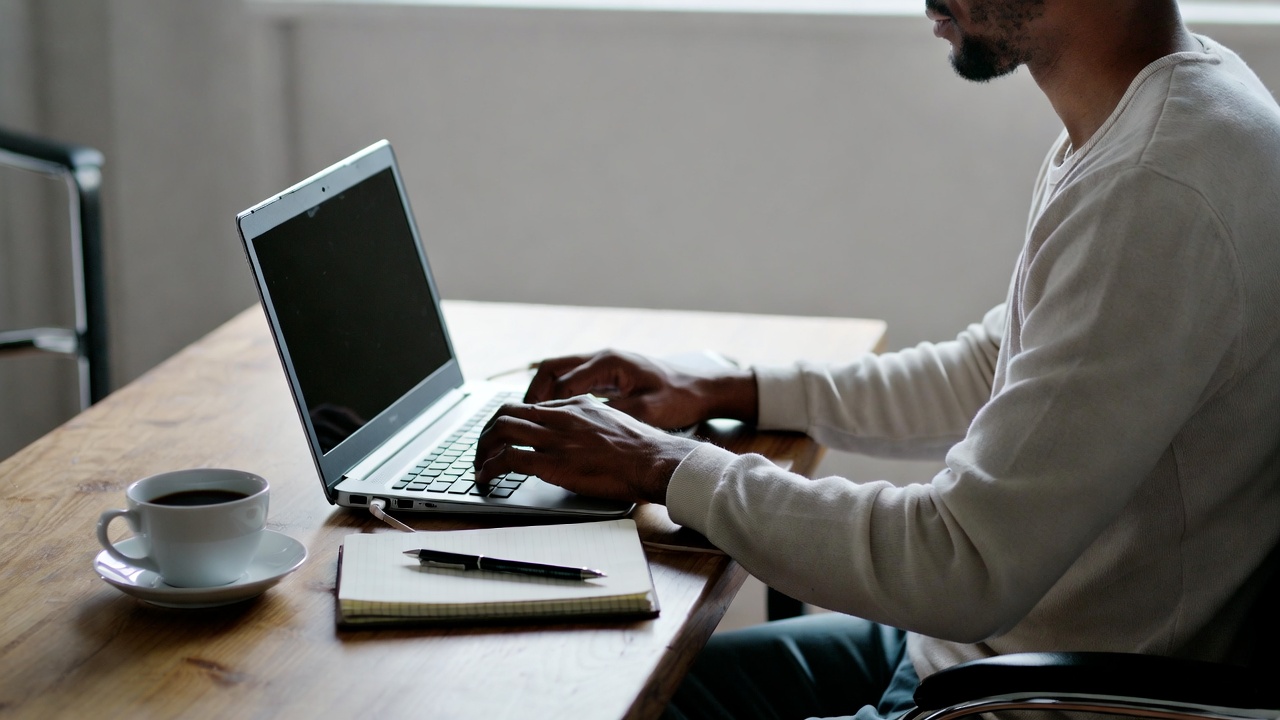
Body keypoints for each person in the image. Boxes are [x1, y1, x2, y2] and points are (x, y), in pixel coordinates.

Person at [474, 1, 1280, 718]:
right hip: (976, 658)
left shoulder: (1155, 185)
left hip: (1033, 695)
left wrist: (665, 468)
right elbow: (991, 369)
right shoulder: (1170, 107)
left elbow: (960, 565)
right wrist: (733, 387)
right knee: (607, 687)